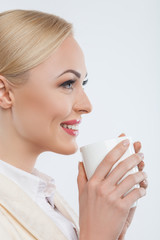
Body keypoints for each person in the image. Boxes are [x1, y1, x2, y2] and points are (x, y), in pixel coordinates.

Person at [0, 9, 147, 240]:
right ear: (5, 92)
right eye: (68, 83)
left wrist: (112, 232)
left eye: (83, 83)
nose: (87, 105)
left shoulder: (47, 199)